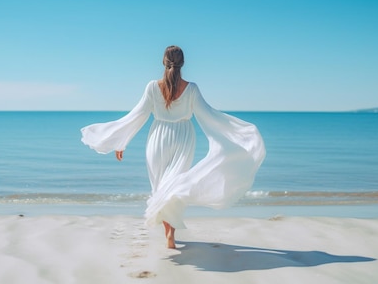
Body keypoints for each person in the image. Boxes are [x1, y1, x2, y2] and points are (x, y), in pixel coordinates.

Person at [80, 45, 265, 249]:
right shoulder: (191, 88)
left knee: (161, 187)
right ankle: (171, 233)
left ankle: (168, 231)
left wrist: (120, 141)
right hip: (183, 138)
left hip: (158, 138)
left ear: (163, 61)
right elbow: (210, 116)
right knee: (174, 187)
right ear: (183, 63)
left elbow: (137, 115)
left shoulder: (152, 86)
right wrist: (235, 137)